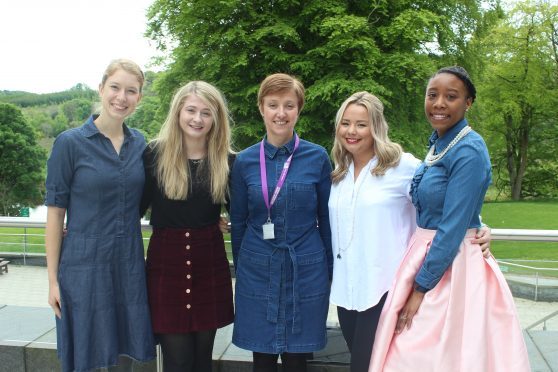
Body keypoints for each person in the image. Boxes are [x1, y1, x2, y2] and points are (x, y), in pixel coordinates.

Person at [369, 67, 530, 372]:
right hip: (429, 255)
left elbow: (453, 227)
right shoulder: (440, 144)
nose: (439, 103)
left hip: (453, 268)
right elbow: (453, 205)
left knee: (429, 356)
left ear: (468, 102)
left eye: (451, 96)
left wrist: (420, 289)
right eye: (433, 95)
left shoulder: (469, 150)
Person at [328, 91, 492, 372]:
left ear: (376, 127)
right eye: (345, 123)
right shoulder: (337, 173)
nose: (351, 131)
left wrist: (479, 225)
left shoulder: (403, 166)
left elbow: (442, 200)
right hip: (346, 292)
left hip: (385, 290)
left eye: (361, 124)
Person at [45, 59, 155, 372]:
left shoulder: (140, 144)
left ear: (139, 98)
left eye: (131, 91)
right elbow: (55, 215)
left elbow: (154, 196)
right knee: (86, 356)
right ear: (101, 89)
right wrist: (52, 281)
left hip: (127, 266)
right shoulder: (70, 143)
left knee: (124, 355)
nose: (122, 97)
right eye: (115, 87)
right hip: (83, 268)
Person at [230, 73, 333, 372]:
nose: (281, 113)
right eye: (273, 104)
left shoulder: (317, 157)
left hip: (305, 267)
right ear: (261, 107)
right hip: (257, 268)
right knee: (261, 357)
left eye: (289, 105)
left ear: (298, 110)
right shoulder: (245, 161)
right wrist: (245, 265)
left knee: (296, 359)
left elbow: (326, 219)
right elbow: (238, 220)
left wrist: (328, 270)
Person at [140, 81, 235, 372]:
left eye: (206, 112)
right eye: (191, 110)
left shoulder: (228, 160)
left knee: (202, 360)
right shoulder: (154, 154)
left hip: (209, 263)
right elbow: (130, 209)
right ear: (178, 111)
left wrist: (230, 225)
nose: (197, 119)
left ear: (216, 118)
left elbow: (246, 213)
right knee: (177, 361)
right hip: (166, 266)